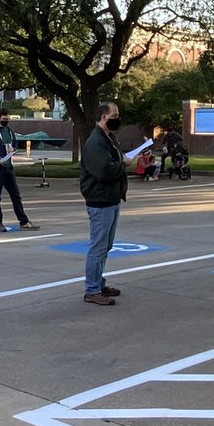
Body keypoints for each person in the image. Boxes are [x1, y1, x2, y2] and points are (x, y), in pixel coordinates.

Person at [79, 101, 128, 306]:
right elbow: (103, 171)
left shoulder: (108, 138)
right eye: (114, 115)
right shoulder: (95, 142)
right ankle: (92, 290)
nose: (117, 118)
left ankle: (99, 283)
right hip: (100, 201)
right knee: (98, 246)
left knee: (105, 246)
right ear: (103, 117)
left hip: (111, 198)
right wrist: (123, 164)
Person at [0, 108, 40, 232]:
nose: (6, 121)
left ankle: (23, 221)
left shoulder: (9, 131)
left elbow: (14, 143)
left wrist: (12, 149)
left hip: (9, 167)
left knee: (16, 195)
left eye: (7, 119)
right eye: (4, 119)